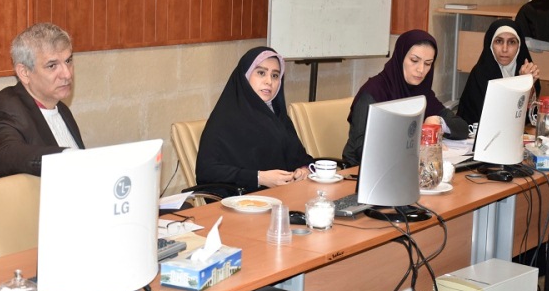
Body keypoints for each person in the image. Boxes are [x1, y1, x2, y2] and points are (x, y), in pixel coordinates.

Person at [196, 46, 313, 196]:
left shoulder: (279, 118)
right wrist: (259, 178)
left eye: (275, 75)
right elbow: (207, 170)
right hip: (242, 202)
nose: (269, 81)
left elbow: (301, 158)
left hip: (285, 197)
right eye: (261, 73)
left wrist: (303, 170)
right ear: (245, 75)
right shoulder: (224, 119)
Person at [342, 30, 468, 167]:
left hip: (407, 168)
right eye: (414, 61)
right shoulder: (373, 91)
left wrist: (438, 122)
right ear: (400, 57)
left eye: (428, 63)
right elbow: (361, 149)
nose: (421, 69)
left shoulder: (422, 93)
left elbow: (462, 128)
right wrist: (418, 145)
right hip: (360, 171)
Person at [0, 23, 85, 181]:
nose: (67, 74)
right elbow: (4, 155)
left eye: (68, 61)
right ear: (24, 73)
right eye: (52, 65)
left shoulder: (61, 108)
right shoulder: (3, 109)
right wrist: (65, 156)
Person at [457, 19, 541, 125]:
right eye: (499, 41)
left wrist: (528, 84)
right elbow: (495, 117)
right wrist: (520, 84)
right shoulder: (479, 74)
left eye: (511, 42)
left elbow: (530, 117)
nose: (504, 49)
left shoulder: (526, 72)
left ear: (519, 46)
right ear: (491, 45)